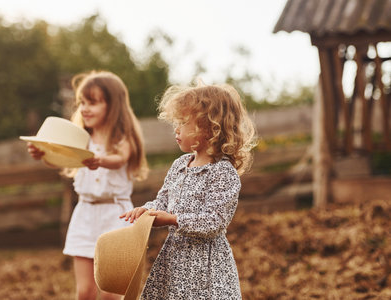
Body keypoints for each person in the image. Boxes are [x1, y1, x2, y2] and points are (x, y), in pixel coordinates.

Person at [120, 82, 256, 299]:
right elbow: (163, 201)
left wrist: (174, 220)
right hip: (175, 258)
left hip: (205, 267)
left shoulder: (222, 173)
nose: (176, 129)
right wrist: (146, 211)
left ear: (211, 128)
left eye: (183, 123)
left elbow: (215, 221)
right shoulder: (180, 165)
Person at [27, 70, 149, 300]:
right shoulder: (80, 140)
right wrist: (43, 154)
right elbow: (61, 160)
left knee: (110, 294)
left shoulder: (123, 139)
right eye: (82, 102)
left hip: (116, 216)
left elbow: (119, 159)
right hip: (84, 215)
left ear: (113, 106)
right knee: (84, 291)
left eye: (92, 102)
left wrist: (98, 160)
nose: (84, 108)